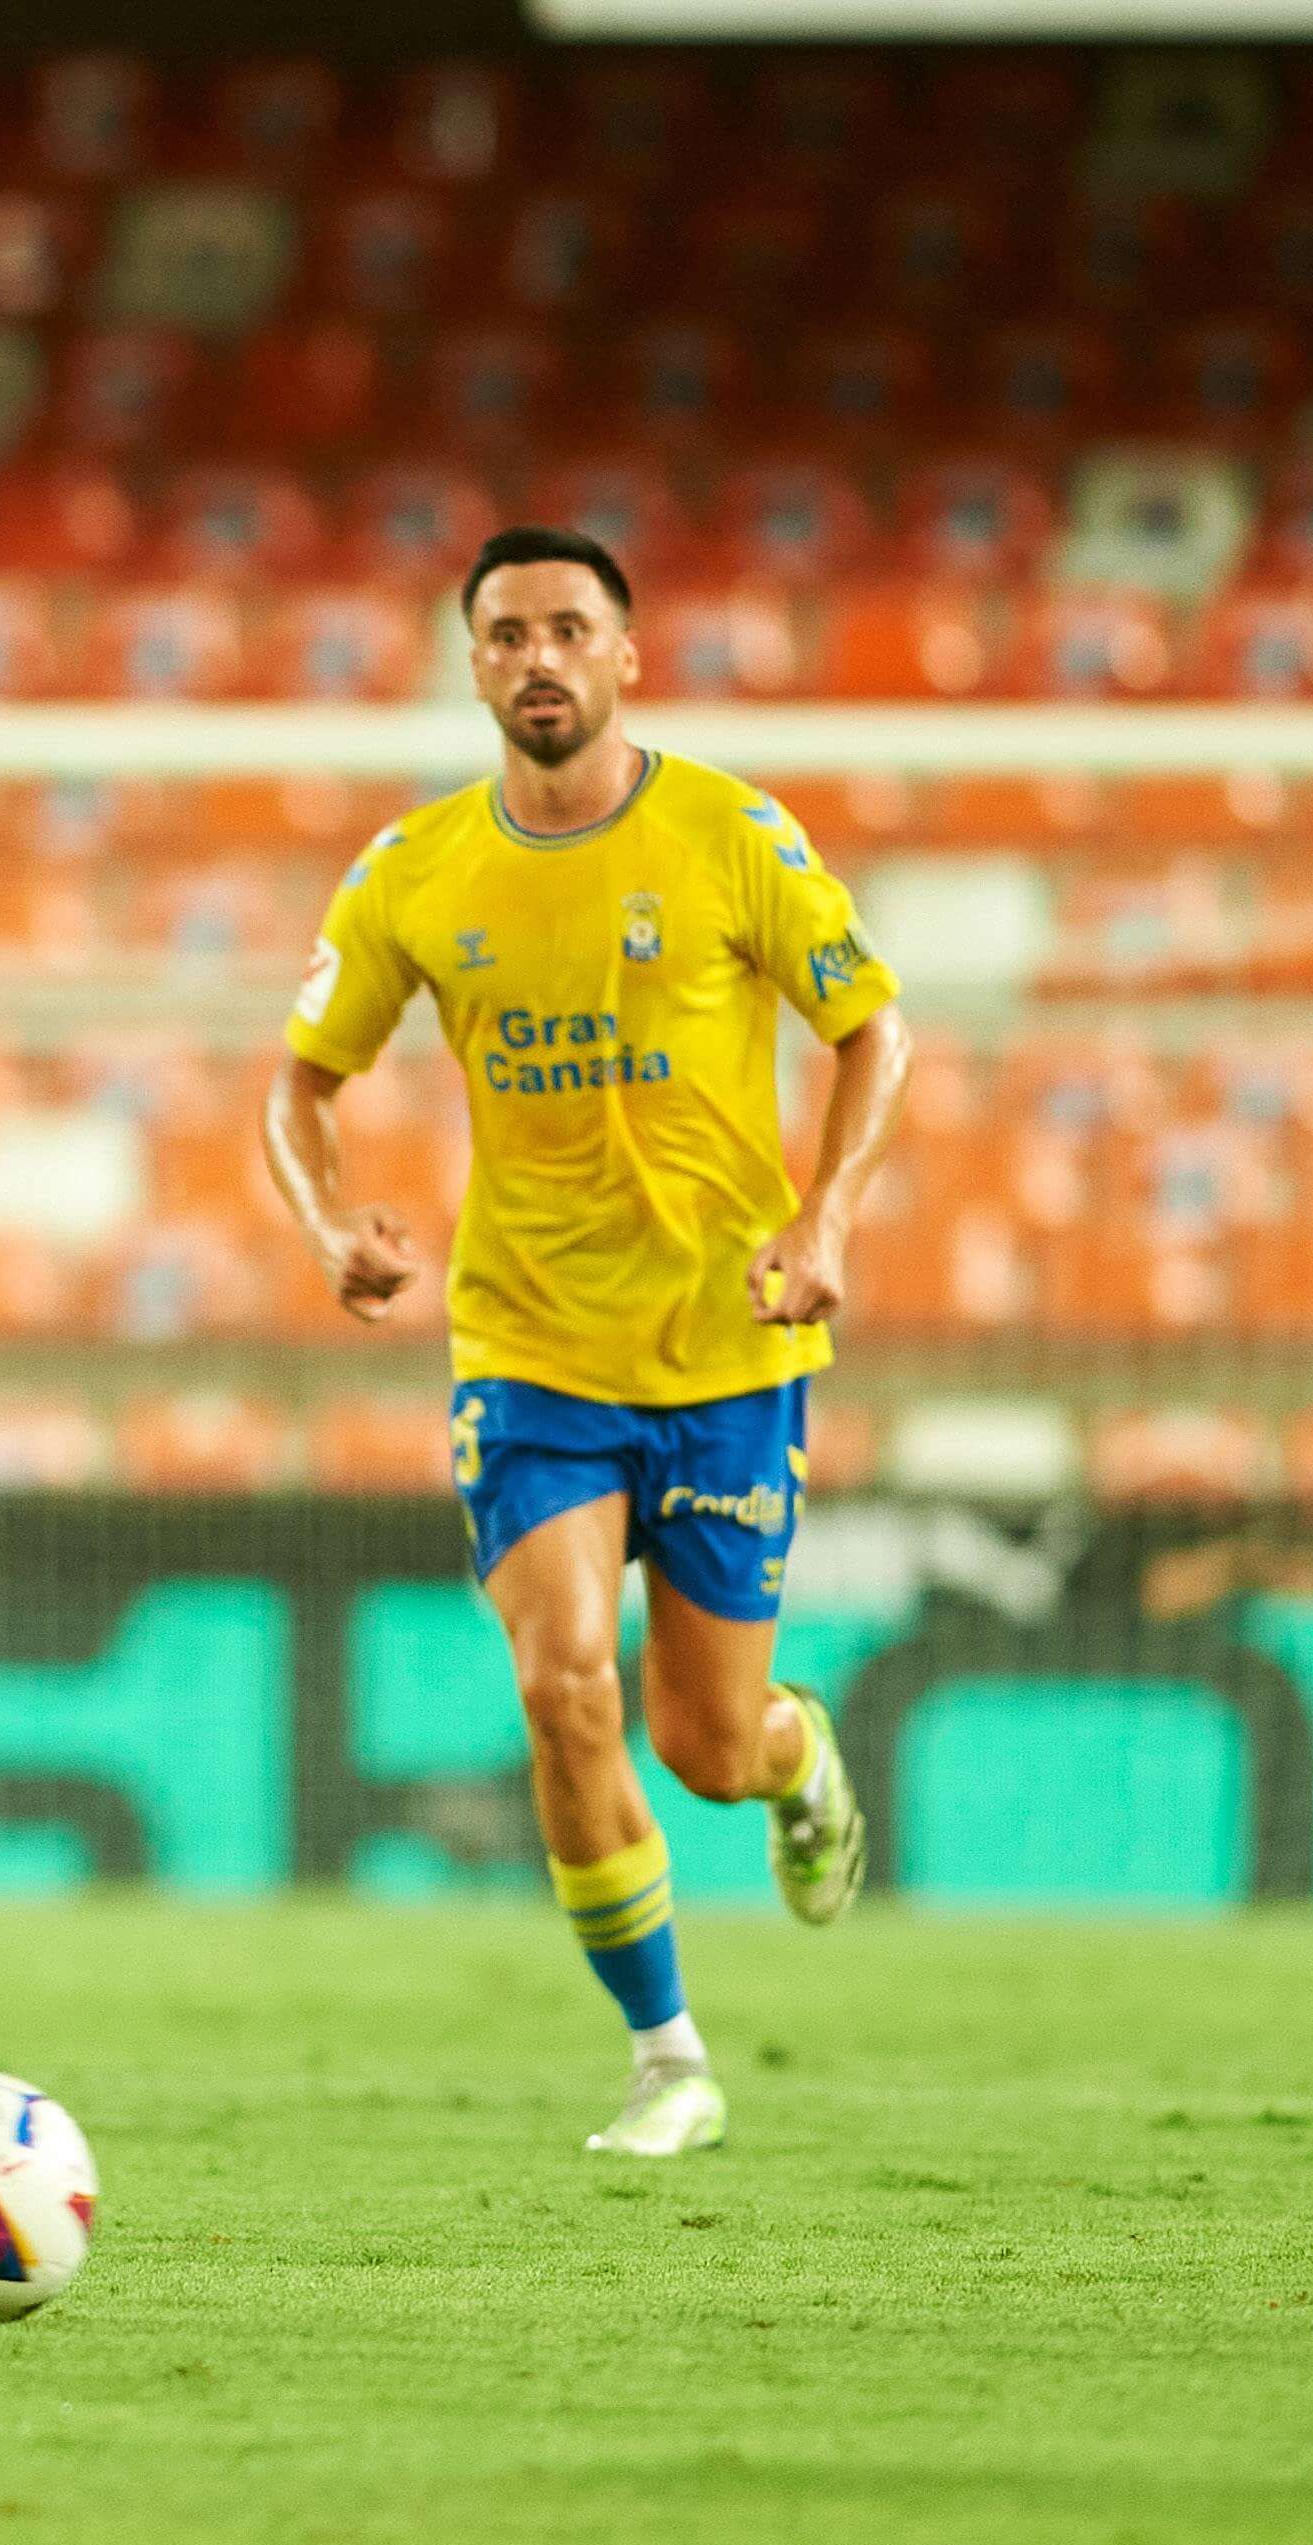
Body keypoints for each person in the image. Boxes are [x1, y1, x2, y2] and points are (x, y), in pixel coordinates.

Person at [261, 524, 910, 2159]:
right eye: (505, 633)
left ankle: (794, 1753)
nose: (536, 656)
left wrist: (826, 1217)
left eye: (566, 627)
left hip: (726, 1348)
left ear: (626, 653)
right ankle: (666, 2055)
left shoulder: (731, 834)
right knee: (562, 1684)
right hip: (529, 1350)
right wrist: (328, 1221)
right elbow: (300, 1081)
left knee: (706, 1746)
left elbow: (873, 1028)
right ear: (475, 665)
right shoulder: (415, 869)